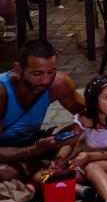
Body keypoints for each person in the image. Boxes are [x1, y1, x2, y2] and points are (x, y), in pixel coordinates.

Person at [0, 40, 85, 186]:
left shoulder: (59, 83)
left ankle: (47, 168)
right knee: (3, 173)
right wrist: (32, 151)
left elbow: (92, 114)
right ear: (18, 69)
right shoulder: (2, 92)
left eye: (51, 72)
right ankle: (49, 167)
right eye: (37, 74)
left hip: (35, 142)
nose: (45, 80)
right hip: (6, 152)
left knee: (86, 131)